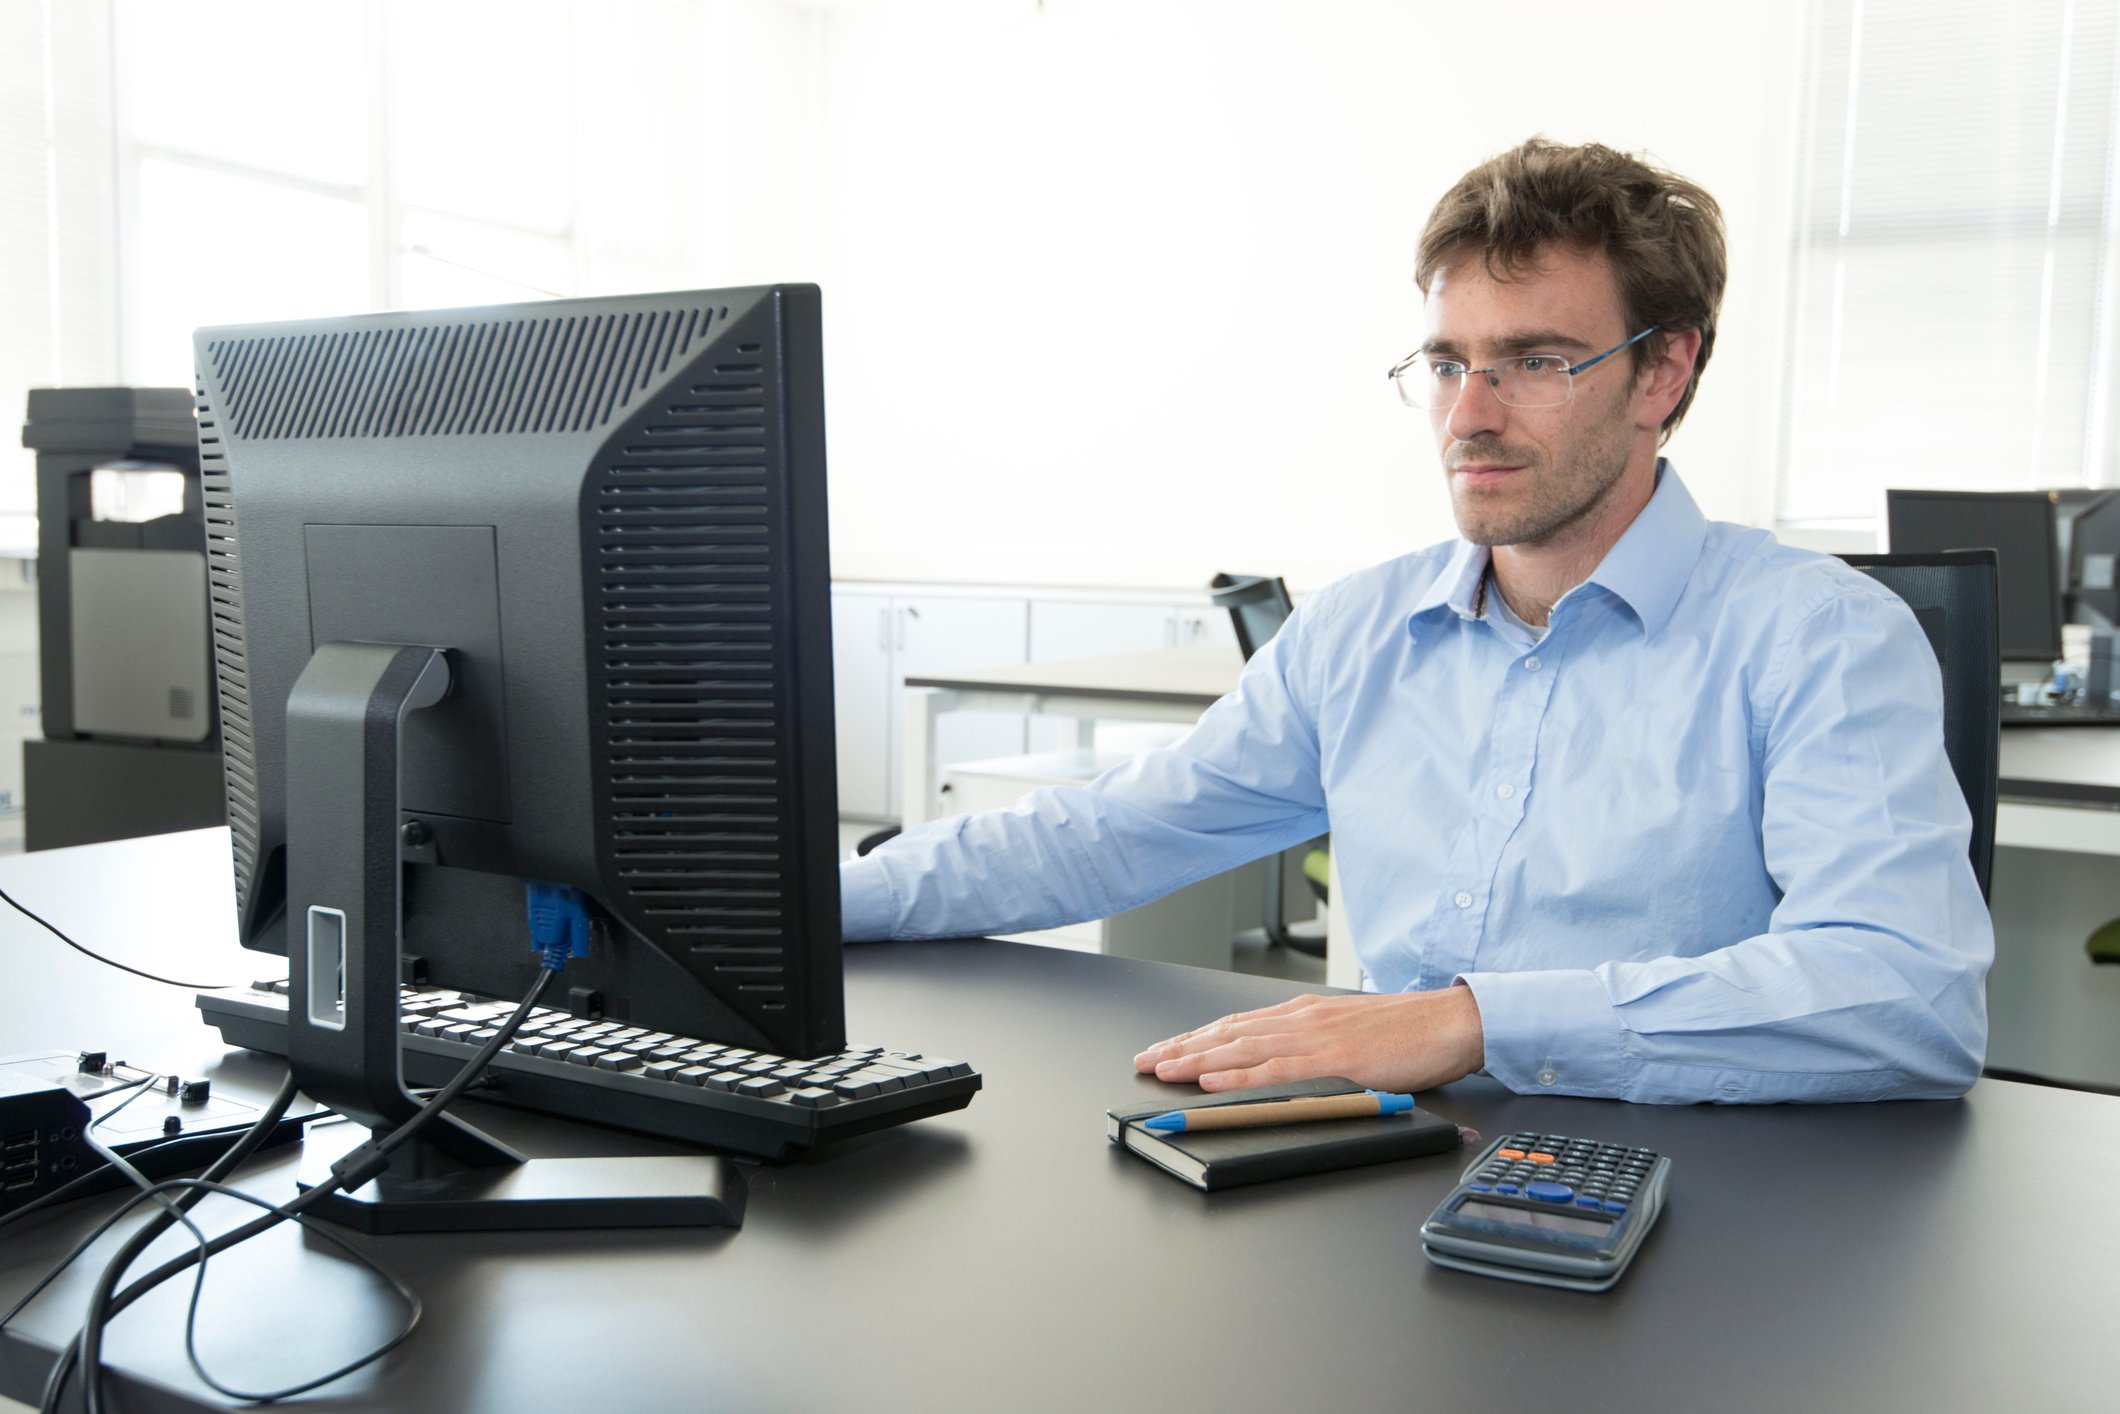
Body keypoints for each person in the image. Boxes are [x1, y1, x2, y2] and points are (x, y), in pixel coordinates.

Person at [839, 138, 1992, 1104]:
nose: (1468, 416)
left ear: (1661, 374)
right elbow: (1111, 832)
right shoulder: (1358, 630)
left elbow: (1908, 993)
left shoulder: (1818, 637)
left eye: (1532, 360)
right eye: (1446, 363)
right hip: (1394, 1167)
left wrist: (1468, 1022)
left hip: (1703, 1197)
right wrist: (805, 901)